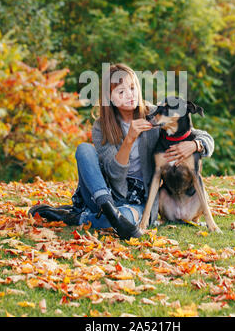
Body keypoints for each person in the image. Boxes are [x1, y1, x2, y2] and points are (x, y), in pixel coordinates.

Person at [28, 63, 215, 239]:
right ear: (109, 97)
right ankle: (106, 212)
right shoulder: (102, 127)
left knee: (122, 219)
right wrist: (129, 139)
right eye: (121, 91)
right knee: (84, 149)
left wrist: (196, 145)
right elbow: (114, 175)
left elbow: (201, 135)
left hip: (138, 200)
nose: (129, 95)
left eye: (132, 88)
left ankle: (75, 217)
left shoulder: (153, 114)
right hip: (104, 192)